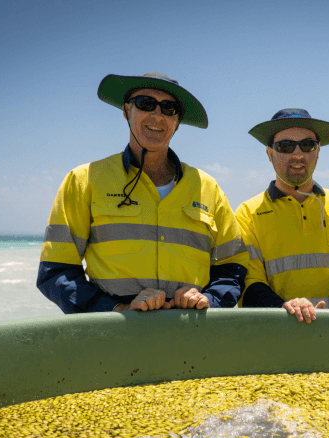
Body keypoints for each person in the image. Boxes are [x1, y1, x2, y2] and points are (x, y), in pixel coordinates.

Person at [37, 72, 248, 313]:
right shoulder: (84, 181)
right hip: (115, 339)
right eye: (146, 104)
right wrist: (117, 309)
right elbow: (56, 271)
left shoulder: (209, 187)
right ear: (127, 111)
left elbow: (233, 265)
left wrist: (210, 299)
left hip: (192, 338)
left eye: (169, 108)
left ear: (177, 121)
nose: (157, 115)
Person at [236, 109, 329, 323]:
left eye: (308, 145)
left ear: (318, 151)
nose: (298, 154)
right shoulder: (247, 213)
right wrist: (285, 308)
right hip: (279, 334)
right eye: (285, 146)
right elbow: (250, 283)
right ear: (270, 153)